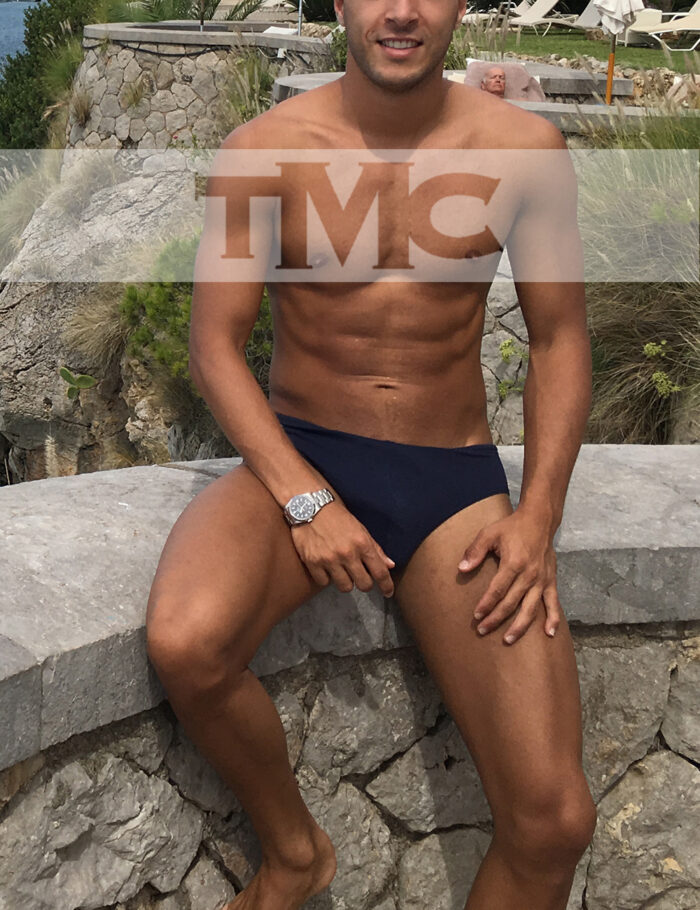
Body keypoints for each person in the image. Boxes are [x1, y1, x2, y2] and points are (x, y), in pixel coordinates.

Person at [145, 0, 596, 908]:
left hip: (452, 479)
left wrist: (539, 513)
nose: (401, 11)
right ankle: (295, 852)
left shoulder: (525, 150)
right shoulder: (263, 150)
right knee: (186, 643)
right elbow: (213, 346)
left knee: (553, 821)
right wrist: (305, 499)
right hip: (305, 455)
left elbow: (560, 338)